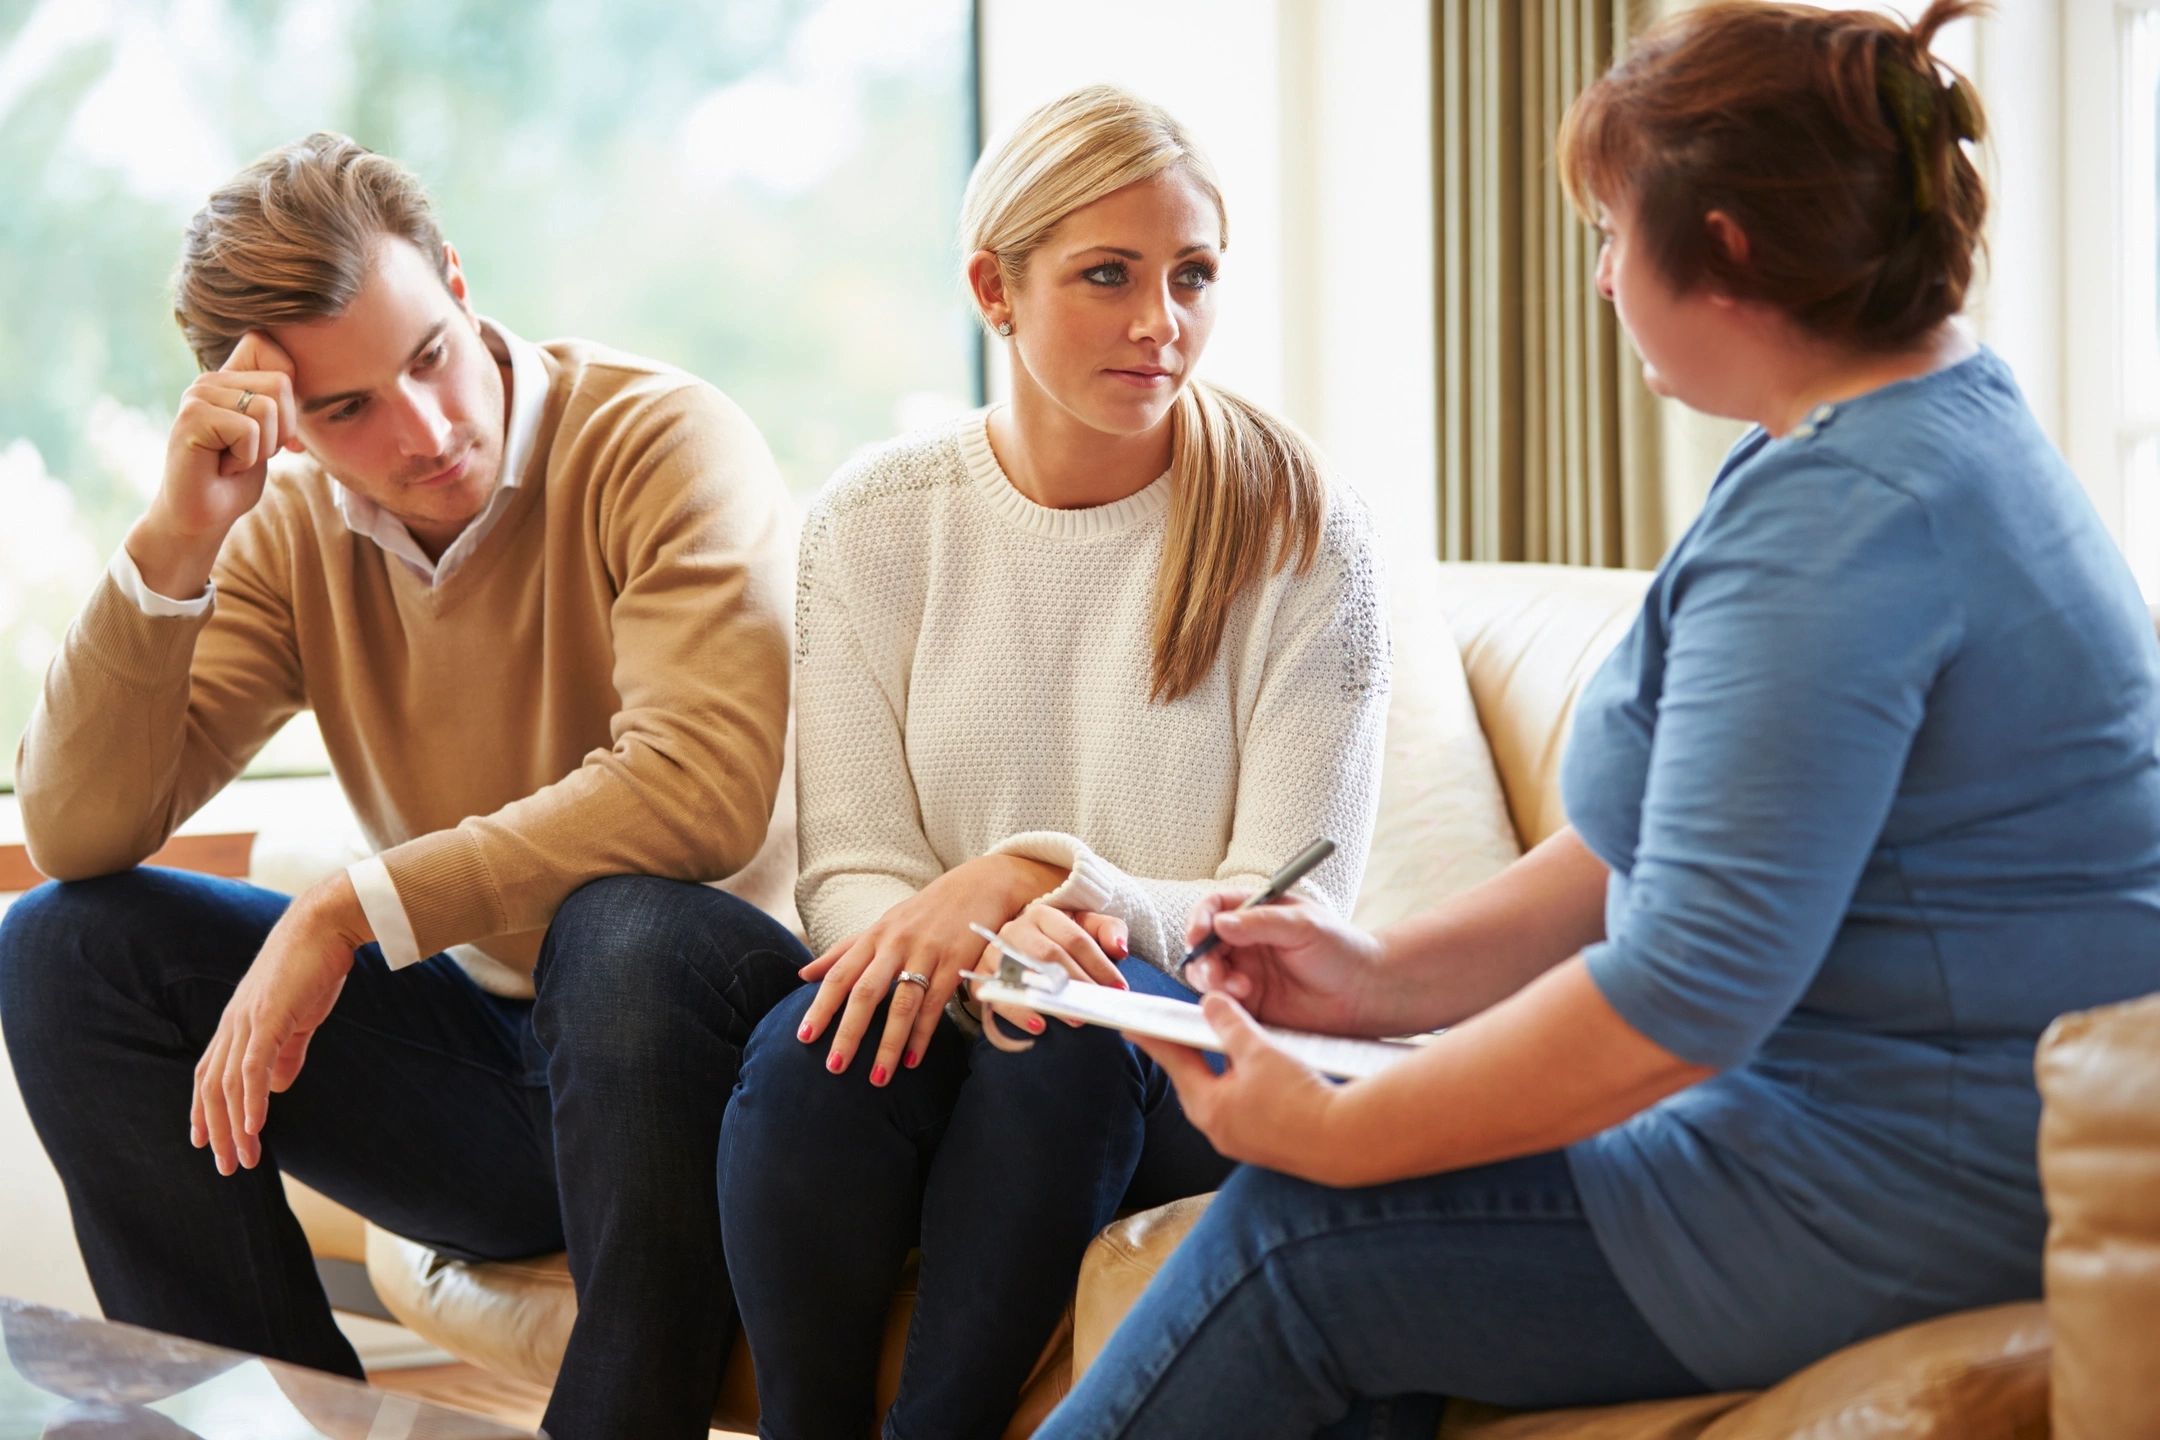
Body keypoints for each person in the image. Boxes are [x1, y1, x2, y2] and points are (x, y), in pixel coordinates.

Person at [1033, 5, 2160, 1437]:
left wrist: (1339, 1125)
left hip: (1896, 1185)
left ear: (1730, 247)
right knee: (1353, 1238)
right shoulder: (1903, 434)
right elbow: (1666, 850)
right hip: (1895, 1140)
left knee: (1303, 1243)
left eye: (1616, 232)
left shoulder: (1843, 525)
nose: (1604, 278)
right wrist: (1379, 979)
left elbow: (1687, 987)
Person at [0, 133, 805, 1440]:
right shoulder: (283, 535)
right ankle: (245, 1422)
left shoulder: (662, 439)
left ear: (457, 280)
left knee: (621, 925)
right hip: (504, 1078)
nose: (427, 430)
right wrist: (178, 536)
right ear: (273, 418)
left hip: (716, 1058)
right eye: (346, 409)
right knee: (63, 945)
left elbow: (698, 788)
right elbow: (78, 830)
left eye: (428, 355)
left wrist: (349, 911)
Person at [715, 85, 1390, 1440]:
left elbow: (1288, 909)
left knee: (1063, 1036)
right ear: (994, 289)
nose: (1164, 324)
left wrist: (1053, 883)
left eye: (1192, 276)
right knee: (809, 1058)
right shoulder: (878, 519)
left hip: (1189, 1046)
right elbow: (852, 866)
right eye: (1109, 277)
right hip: (963, 997)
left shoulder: (1299, 529)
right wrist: (970, 936)